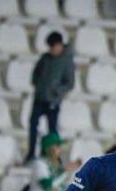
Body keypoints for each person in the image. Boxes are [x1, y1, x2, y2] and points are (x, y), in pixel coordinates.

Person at [26, 31, 75, 163]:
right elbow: (36, 73)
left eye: (54, 47)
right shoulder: (45, 58)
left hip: (53, 100)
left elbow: (70, 83)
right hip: (40, 97)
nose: (52, 50)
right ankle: (31, 153)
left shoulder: (67, 61)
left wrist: (55, 90)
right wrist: (38, 85)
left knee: (52, 130)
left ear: (60, 45)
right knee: (33, 124)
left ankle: (55, 158)